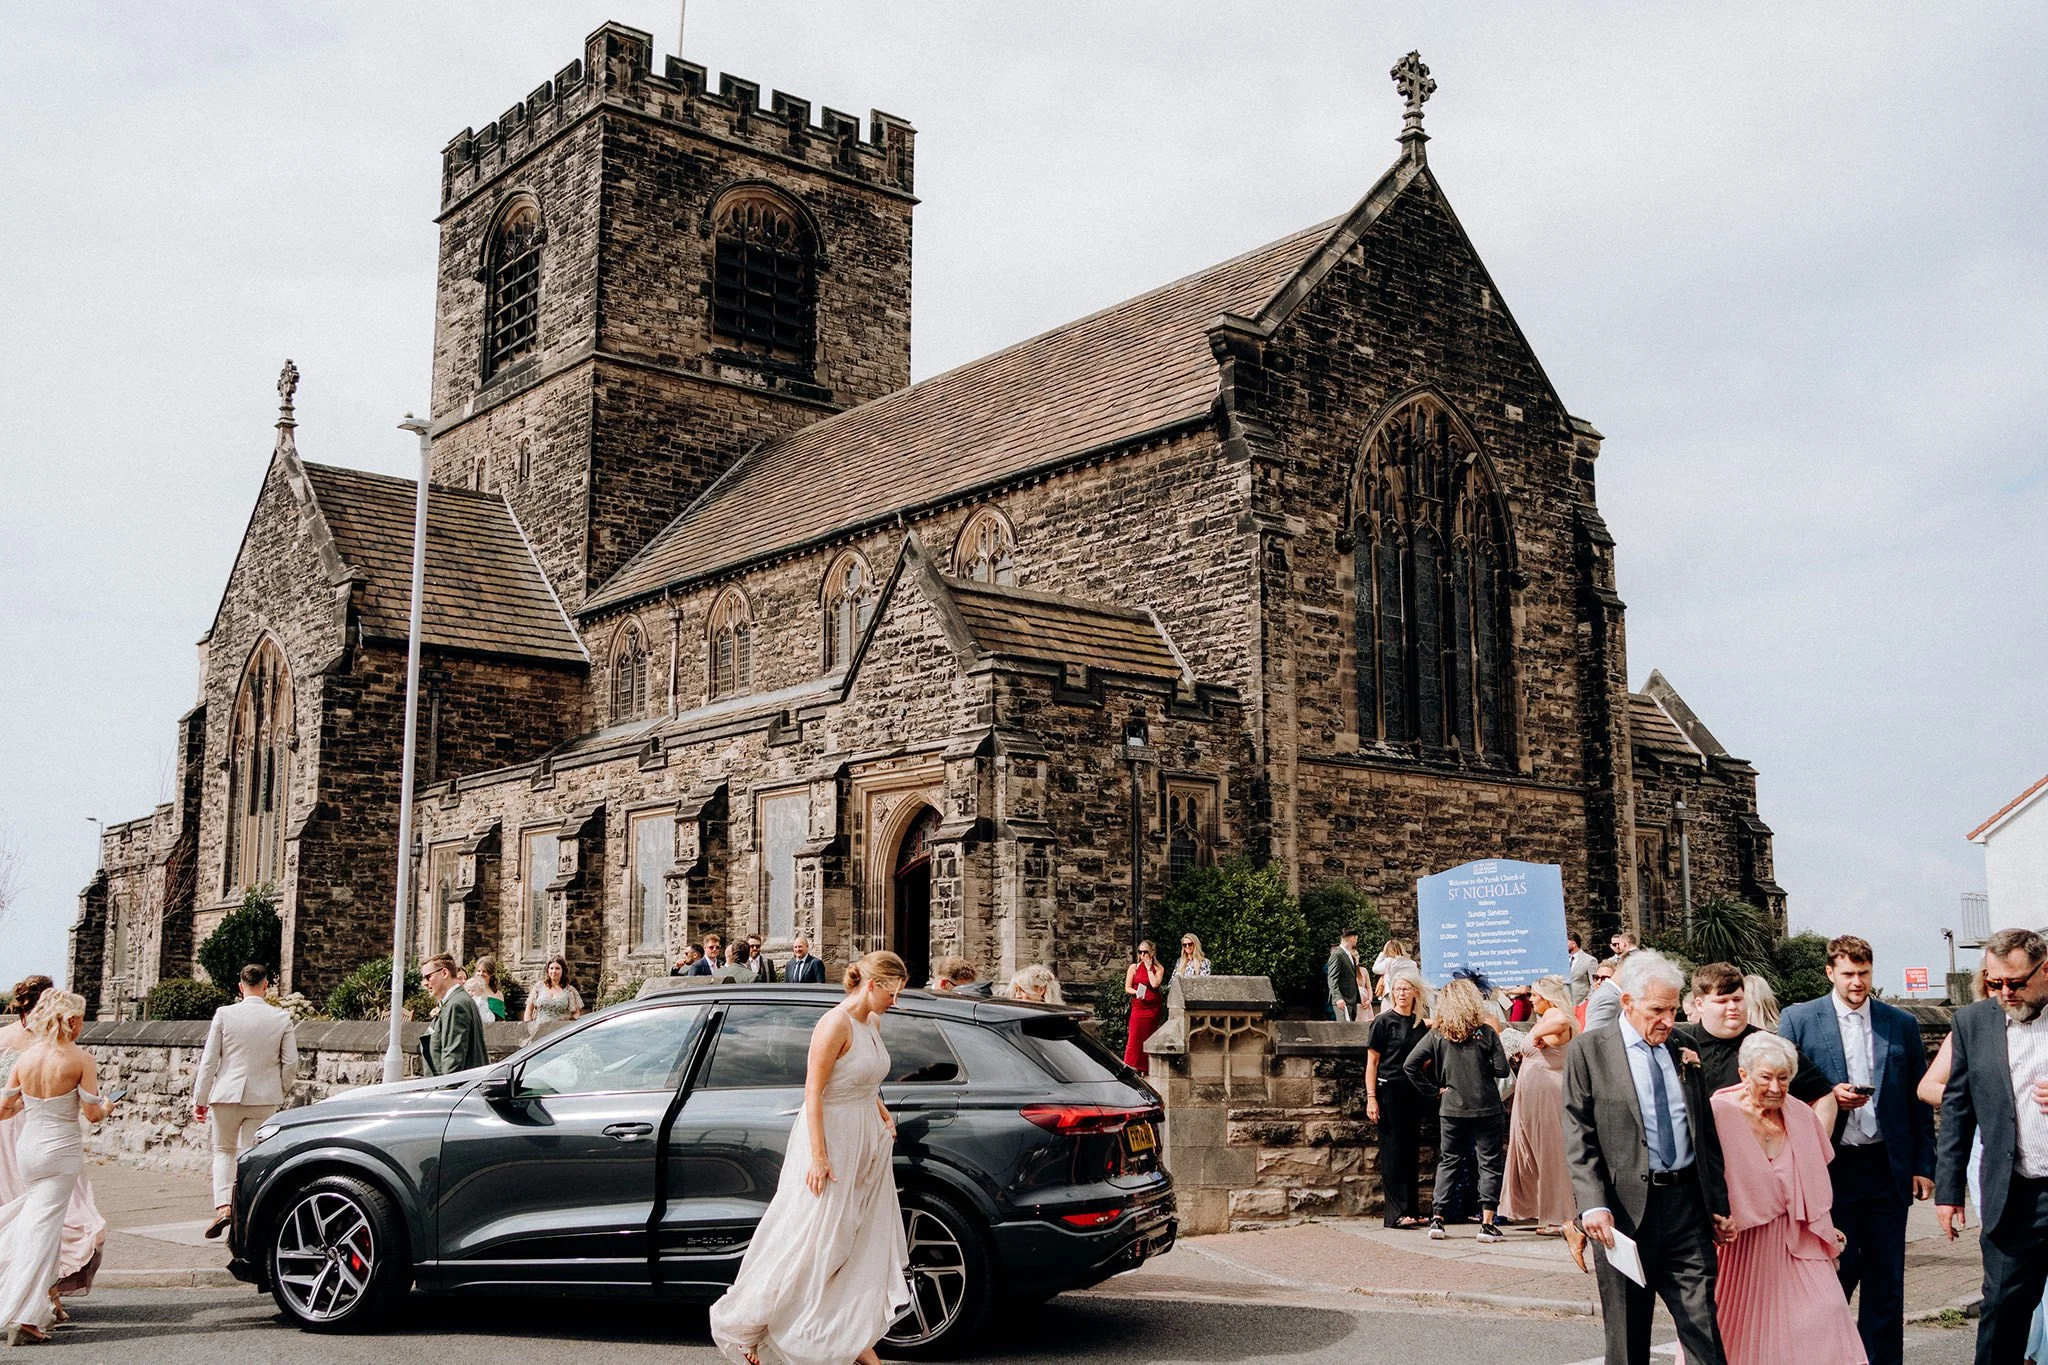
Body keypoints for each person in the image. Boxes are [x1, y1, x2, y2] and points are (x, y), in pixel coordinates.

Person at [708, 951, 911, 1365]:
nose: (896, 1002)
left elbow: (865, 1080)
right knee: (812, 1239)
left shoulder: (872, 1021)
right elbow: (814, 1092)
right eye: (892, 993)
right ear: (872, 985)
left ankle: (847, 1340)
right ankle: (753, 1325)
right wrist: (818, 1157)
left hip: (863, 1139)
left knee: (849, 1242)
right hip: (829, 1137)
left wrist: (883, 1112)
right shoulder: (834, 1023)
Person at [1562, 949, 1729, 1365]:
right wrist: (1593, 1206)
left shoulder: (1684, 1047)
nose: (1668, 1021)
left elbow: (1704, 1132)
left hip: (1686, 1210)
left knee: (1704, 1329)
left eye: (1673, 1009)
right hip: (1622, 1215)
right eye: (1658, 1010)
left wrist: (1719, 1204)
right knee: (1627, 1337)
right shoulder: (1589, 1051)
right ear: (1627, 1002)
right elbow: (1578, 1134)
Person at [1780, 934, 1932, 1365]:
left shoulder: (1899, 1022)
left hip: (1887, 1166)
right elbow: (1781, 1092)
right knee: (1833, 1276)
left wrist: (1924, 1164)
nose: (1857, 982)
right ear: (1830, 972)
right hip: (1832, 1168)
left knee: (1886, 1283)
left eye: (1864, 973)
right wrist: (1830, 1096)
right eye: (1848, 974)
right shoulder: (1799, 1019)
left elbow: (1916, 1100)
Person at [1711, 1031, 1865, 1365]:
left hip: (1799, 1238)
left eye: (1784, 1078)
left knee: (1829, 1312)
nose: (1776, 1088)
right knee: (1737, 1334)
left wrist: (1825, 1223)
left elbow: (1813, 1178)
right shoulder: (1718, 1113)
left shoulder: (1801, 1115)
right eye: (1765, 1078)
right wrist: (1712, 1216)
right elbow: (1701, 1178)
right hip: (1740, 1247)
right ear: (1743, 1075)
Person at [1937, 928, 2048, 1364]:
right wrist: (1948, 1192)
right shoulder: (1973, 1022)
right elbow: (1958, 1108)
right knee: (2002, 1313)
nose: (2005, 992)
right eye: (1994, 981)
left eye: (2016, 983)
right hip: (2014, 1194)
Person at [0, 990, 116, 1346]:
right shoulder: (81, 1059)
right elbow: (93, 1114)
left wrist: (31, 1108)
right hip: (61, 1152)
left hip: (29, 1149)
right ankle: (21, 1314)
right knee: (43, 1233)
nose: (81, 1025)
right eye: (79, 1018)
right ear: (70, 1020)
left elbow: (4, 1110)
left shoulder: (26, 1059)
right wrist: (109, 1105)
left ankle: (29, 1309)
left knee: (33, 1221)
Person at [193, 964, 299, 1239]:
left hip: (226, 1095)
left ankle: (223, 1206)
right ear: (266, 985)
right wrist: (280, 1089)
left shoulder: (225, 1015)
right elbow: (291, 1063)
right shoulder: (281, 1017)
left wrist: (200, 1099)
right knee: (255, 1157)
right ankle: (249, 1211)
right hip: (264, 1097)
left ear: (241, 987)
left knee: (223, 1151)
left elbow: (209, 1061)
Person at [1405, 978, 1510, 1243]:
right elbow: (1502, 1070)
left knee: (1448, 1161)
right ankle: (1487, 1222)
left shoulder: (1437, 1034)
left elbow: (1411, 1065)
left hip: (1451, 1107)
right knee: (1489, 1163)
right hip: (1486, 1105)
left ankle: (1438, 1218)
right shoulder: (1485, 1033)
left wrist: (1435, 1090)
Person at [1674, 962, 1837, 1131]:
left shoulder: (1770, 1046)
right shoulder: (1679, 1044)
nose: (1732, 1007)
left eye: (1737, 999)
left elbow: (1824, 1097)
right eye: (1722, 1001)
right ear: (1700, 1004)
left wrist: (1812, 1152)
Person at [1501, 976, 1579, 1235]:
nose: (1531, 1000)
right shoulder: (1545, 1020)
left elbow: (1564, 1021)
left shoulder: (1556, 1016)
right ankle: (1537, 1209)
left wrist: (1536, 1034)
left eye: (1534, 995)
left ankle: (1560, 1217)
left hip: (1547, 1092)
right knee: (1528, 1147)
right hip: (1532, 1092)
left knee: (1550, 1149)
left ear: (1547, 995)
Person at [1367, 970, 1430, 1227]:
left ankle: (1412, 1211)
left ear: (1415, 992)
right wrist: (1372, 1097)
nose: (1401, 993)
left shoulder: (1420, 1024)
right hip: (1389, 1091)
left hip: (1412, 1093)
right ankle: (1395, 1214)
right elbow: (1372, 1062)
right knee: (1392, 1152)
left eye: (1406, 989)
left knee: (1410, 1151)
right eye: (1397, 989)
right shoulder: (1382, 1022)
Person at [420, 953, 488, 1074]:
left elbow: (453, 1057)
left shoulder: (456, 1005)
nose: (424, 983)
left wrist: (444, 1091)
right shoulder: (457, 1000)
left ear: (444, 973)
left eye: (428, 977)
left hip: (452, 1089)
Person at [1124, 941, 1168, 1069]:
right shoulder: (1134, 967)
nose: (1142, 955)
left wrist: (1149, 968)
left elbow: (1155, 984)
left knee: (1149, 1037)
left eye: (1145, 952)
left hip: (1152, 1008)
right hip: (1139, 1007)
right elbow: (1127, 987)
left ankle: (1148, 1068)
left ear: (1152, 953)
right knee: (1134, 1037)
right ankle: (1130, 1066)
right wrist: (1136, 992)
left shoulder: (1158, 968)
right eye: (1140, 952)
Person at [1584, 943, 1634, 1035]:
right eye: (1596, 977)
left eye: (1605, 978)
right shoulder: (1608, 999)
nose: (1599, 982)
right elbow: (1591, 1039)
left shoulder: (1613, 996)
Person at [525, 955, 586, 1022]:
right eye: (551, 968)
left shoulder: (570, 990)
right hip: (539, 1029)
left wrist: (569, 1025)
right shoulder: (539, 987)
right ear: (548, 970)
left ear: (563, 970)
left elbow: (577, 1013)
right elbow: (529, 1010)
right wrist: (528, 1025)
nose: (554, 971)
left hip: (561, 1030)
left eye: (557, 968)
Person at [1327, 929, 1364, 1023]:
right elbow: (1332, 978)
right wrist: (1338, 998)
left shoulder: (1350, 955)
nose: (1357, 941)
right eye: (1356, 939)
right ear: (1352, 938)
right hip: (1342, 1001)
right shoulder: (1337, 954)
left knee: (1351, 1030)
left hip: (1352, 1000)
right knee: (1343, 1031)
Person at [1373, 939, 1419, 1006]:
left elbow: (1375, 969)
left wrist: (1383, 953)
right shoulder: (1412, 963)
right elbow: (1415, 980)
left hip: (1391, 994)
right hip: (1408, 994)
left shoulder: (1388, 962)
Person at [1569, 932, 1600, 1006]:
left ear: (1574, 944)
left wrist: (1586, 1002)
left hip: (1581, 1003)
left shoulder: (1589, 960)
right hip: (1566, 1004)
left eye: (1566, 942)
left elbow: (1594, 984)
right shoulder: (1563, 960)